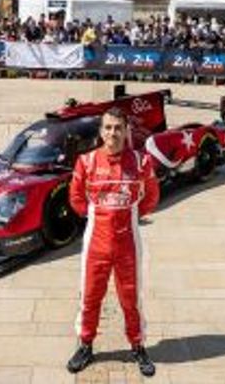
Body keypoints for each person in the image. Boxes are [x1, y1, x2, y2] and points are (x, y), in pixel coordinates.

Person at [66, 107, 160, 377]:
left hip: (128, 245)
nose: (113, 133)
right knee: (89, 296)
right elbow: (76, 199)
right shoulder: (86, 161)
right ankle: (85, 344)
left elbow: (152, 197)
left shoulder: (141, 162)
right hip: (96, 244)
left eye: (118, 128)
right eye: (108, 127)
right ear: (100, 131)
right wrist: (99, 216)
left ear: (126, 131)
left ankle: (138, 345)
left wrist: (130, 215)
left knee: (131, 298)